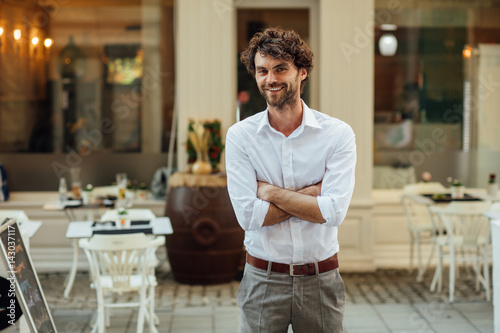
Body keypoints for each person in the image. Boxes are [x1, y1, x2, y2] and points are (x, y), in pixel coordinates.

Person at [225, 27, 357, 333]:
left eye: (281, 68)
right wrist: (311, 195)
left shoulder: (337, 135)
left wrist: (270, 192)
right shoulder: (241, 137)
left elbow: (334, 211)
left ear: (302, 72)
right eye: (262, 71)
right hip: (262, 281)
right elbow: (248, 216)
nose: (271, 79)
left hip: (321, 281)